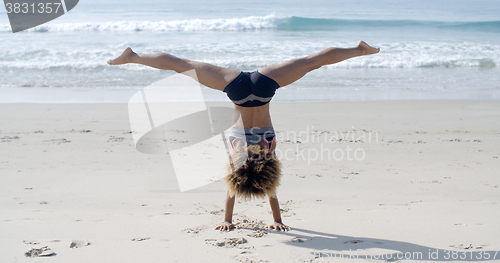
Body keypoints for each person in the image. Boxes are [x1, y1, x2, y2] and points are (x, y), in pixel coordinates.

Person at [107, 41, 380, 232]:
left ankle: (359, 49)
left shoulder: (268, 147)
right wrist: (229, 219)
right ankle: (133, 56)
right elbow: (232, 188)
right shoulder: (236, 150)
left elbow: (270, 188)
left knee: (312, 62)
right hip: (237, 89)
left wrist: (275, 218)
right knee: (183, 65)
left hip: (263, 87)